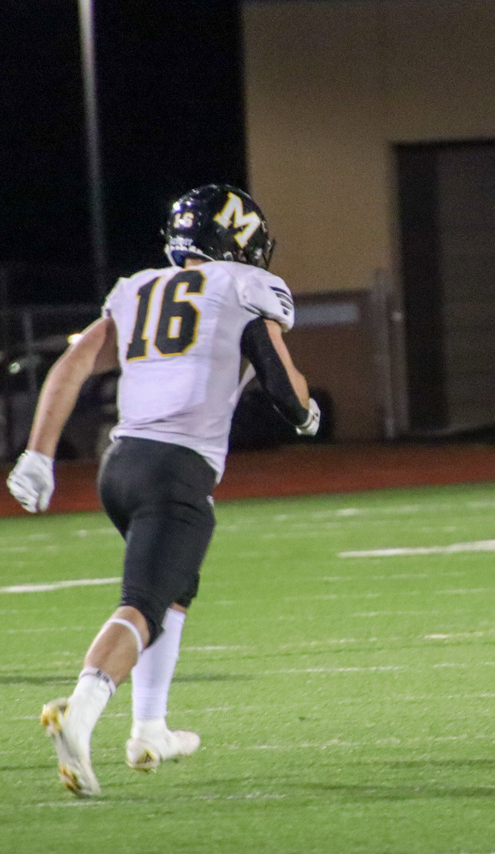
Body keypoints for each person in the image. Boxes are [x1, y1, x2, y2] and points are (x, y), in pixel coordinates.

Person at [6, 184, 320, 797]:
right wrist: (308, 412)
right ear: (239, 240)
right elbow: (284, 387)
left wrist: (38, 453)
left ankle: (150, 728)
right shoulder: (245, 286)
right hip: (176, 468)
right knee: (143, 606)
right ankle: (80, 710)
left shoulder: (139, 288)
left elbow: (72, 364)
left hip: (119, 466)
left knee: (176, 591)